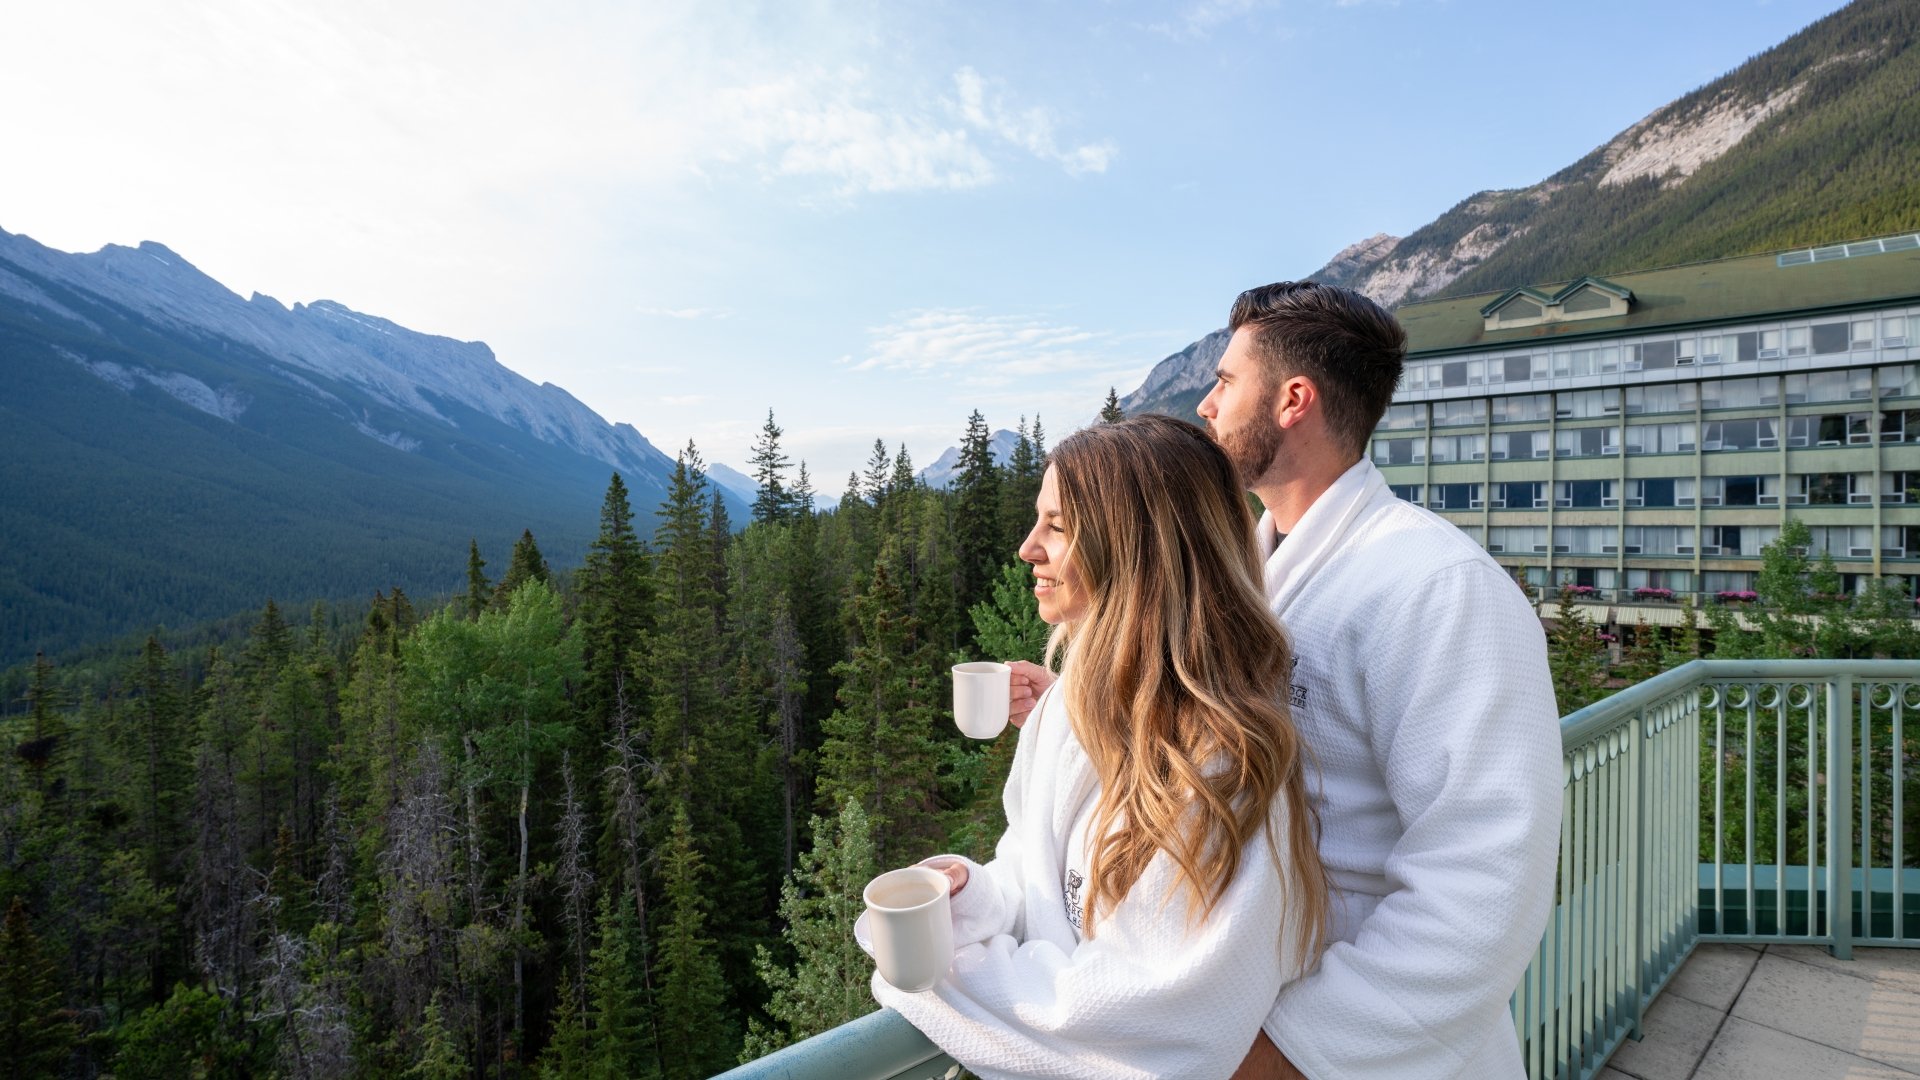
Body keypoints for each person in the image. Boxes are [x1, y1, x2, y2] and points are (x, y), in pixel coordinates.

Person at [1011, 282, 1563, 1079]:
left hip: (1350, 1052)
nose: (1205, 403)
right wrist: (1081, 704)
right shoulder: (1245, 574)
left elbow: (1486, 884)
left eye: (1227, 381)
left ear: (1293, 399)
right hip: (1219, 1025)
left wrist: (1292, 1052)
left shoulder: (1437, 588)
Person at [869, 414, 1330, 1080]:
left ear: (1136, 549)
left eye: (1057, 526)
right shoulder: (1068, 709)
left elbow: (1152, 1027)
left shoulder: (1216, 768)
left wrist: (940, 974)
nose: (1029, 547)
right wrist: (969, 897)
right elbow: (1032, 875)